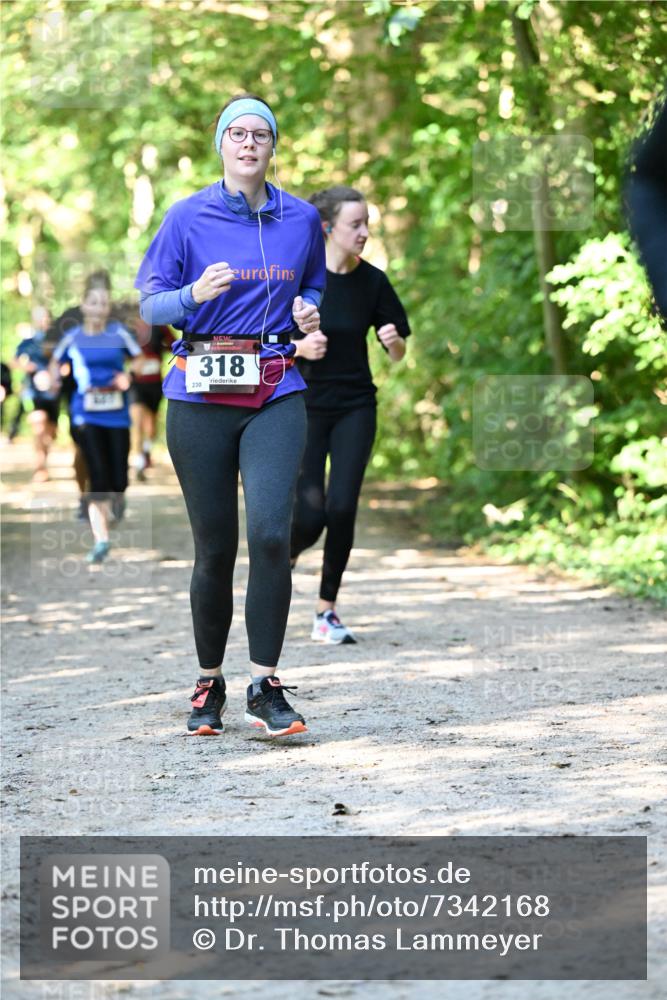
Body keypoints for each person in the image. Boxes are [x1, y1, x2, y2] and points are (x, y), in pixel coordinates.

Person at [135, 93, 325, 738]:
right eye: (237, 134)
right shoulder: (186, 216)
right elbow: (151, 307)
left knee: (272, 534)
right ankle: (208, 681)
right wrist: (193, 294)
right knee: (214, 548)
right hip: (199, 395)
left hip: (275, 388)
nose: (248, 144)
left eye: (261, 135)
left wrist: (307, 313)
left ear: (273, 148)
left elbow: (315, 287)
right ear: (221, 144)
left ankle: (264, 685)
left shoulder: (301, 219)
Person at [290, 186, 411, 643]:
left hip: (356, 405)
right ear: (328, 228)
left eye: (367, 225)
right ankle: (283, 557)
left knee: (341, 507)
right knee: (308, 513)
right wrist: (300, 347)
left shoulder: (373, 282)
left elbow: (398, 352)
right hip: (303, 404)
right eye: (355, 225)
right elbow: (268, 342)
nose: (364, 233)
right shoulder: (299, 281)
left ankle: (326, 611)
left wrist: (392, 342)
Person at [50, 274, 142, 563]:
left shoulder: (119, 333)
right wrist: (52, 379)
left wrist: (126, 376)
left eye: (104, 302)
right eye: (94, 302)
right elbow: (55, 362)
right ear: (84, 305)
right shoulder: (73, 337)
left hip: (117, 415)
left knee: (118, 479)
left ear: (108, 307)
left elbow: (138, 360)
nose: (99, 307)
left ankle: (118, 497)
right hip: (84, 413)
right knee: (98, 475)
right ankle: (101, 540)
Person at [47, 270, 115, 519]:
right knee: (83, 448)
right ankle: (84, 496)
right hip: (77, 392)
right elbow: (49, 349)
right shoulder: (70, 316)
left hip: (113, 394)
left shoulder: (115, 317)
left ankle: (105, 496)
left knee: (110, 447)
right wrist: (60, 368)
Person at [116, 302, 175, 481]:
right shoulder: (128, 331)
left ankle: (147, 449)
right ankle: (139, 462)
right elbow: (121, 352)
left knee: (150, 425)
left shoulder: (159, 327)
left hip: (155, 383)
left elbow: (173, 344)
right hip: (136, 383)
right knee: (136, 421)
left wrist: (158, 353)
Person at [12, 305, 60, 482]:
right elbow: (14, 361)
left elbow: (66, 363)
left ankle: (44, 456)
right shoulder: (28, 342)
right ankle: (41, 468)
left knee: (51, 433)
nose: (43, 321)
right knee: (39, 427)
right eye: (40, 318)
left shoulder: (57, 341)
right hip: (34, 393)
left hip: (54, 393)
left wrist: (57, 375)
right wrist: (29, 367)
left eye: (46, 317)